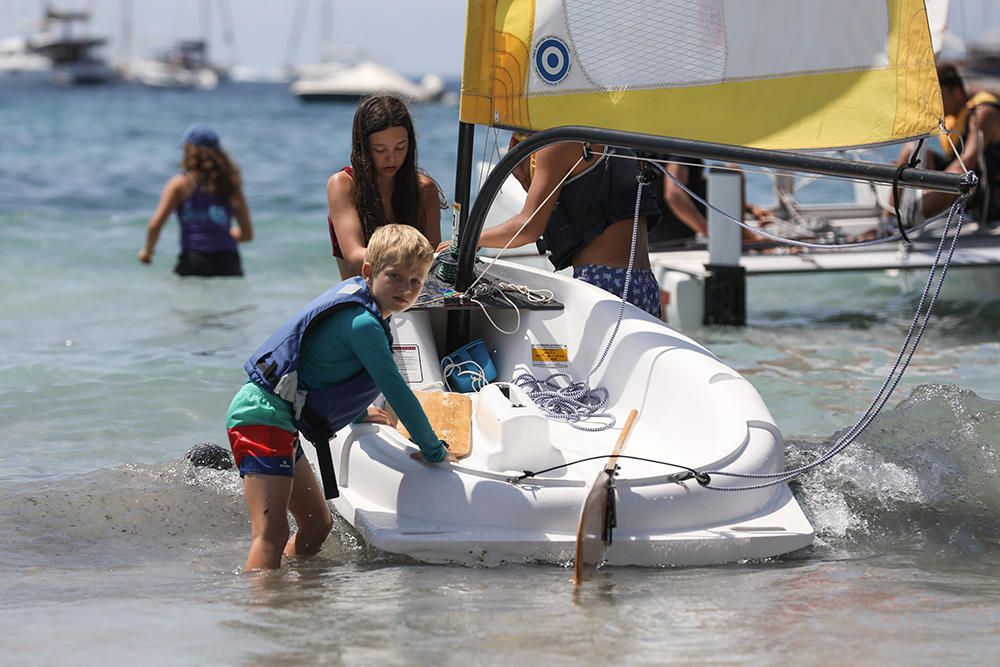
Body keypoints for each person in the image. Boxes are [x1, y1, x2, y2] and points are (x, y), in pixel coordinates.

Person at [225, 224, 456, 571]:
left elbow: (323, 368)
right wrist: (433, 448)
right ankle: (263, 616)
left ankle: (291, 601)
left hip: (279, 418)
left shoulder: (367, 308)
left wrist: (356, 412)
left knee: (318, 526)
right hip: (262, 415)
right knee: (270, 534)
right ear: (369, 271)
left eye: (415, 282)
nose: (405, 289)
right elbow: (397, 390)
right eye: (394, 276)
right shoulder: (362, 323)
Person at [454, 134, 663, 318]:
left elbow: (528, 228)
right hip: (646, 285)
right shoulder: (618, 136)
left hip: (603, 282)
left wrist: (470, 240)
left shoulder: (557, 143)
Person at [326, 95, 443, 279]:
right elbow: (355, 258)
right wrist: (413, 252)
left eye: (400, 147)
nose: (392, 159)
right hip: (362, 300)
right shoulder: (343, 185)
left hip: (415, 300)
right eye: (380, 150)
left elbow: (433, 259)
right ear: (363, 147)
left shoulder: (425, 189)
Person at [139, 125, 253, 276]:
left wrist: (147, 251)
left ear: (188, 151)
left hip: (194, 259)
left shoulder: (180, 184)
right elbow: (247, 234)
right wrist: (221, 234)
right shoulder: (231, 185)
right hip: (229, 261)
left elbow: (155, 225)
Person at [902, 64, 1000, 222]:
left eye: (938, 97)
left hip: (988, 196)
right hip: (968, 192)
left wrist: (925, 201)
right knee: (912, 150)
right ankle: (891, 219)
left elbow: (967, 161)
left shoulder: (982, 113)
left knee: (959, 173)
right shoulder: (954, 118)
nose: (935, 105)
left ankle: (913, 217)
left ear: (956, 92)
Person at [646, 154, 771, 247]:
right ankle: (743, 237)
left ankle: (742, 234)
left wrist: (749, 208)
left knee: (723, 174)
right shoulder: (682, 144)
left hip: (650, 232)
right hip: (673, 236)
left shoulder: (658, 143)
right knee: (733, 170)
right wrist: (713, 236)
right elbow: (674, 195)